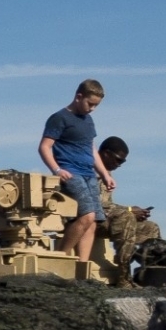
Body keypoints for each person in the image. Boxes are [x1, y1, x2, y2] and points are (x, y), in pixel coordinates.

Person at [38, 79, 113, 265]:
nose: (92, 109)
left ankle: (82, 267)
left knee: (93, 221)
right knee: (86, 215)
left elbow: (91, 148)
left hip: (88, 173)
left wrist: (105, 174)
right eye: (90, 104)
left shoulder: (88, 120)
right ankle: (60, 258)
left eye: (96, 105)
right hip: (71, 172)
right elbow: (44, 147)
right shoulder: (60, 118)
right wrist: (56, 169)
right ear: (79, 97)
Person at [93, 137, 158, 287]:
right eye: (118, 160)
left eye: (122, 162)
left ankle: (147, 276)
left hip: (104, 220)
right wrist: (129, 210)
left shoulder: (107, 175)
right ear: (105, 153)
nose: (119, 164)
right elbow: (92, 205)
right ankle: (124, 277)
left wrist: (135, 213)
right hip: (88, 221)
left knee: (150, 228)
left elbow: (107, 205)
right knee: (126, 218)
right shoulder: (87, 170)